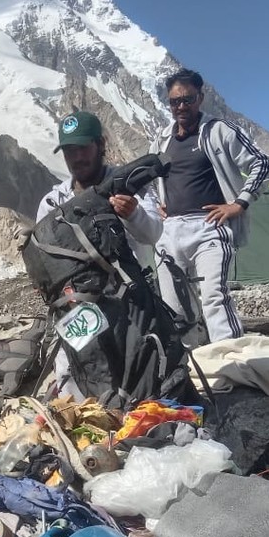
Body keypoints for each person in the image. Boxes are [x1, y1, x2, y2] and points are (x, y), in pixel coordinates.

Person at [36, 109, 164, 401]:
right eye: (69, 150)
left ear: (100, 144)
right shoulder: (52, 202)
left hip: (132, 301)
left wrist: (134, 214)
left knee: (139, 372)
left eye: (83, 147)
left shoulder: (131, 183)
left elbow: (154, 234)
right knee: (74, 371)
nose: (77, 157)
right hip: (78, 305)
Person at [149, 68, 269, 343]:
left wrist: (239, 203)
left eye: (187, 99)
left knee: (214, 298)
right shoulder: (160, 140)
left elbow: (263, 164)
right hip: (168, 231)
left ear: (200, 98)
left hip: (209, 227)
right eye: (174, 101)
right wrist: (156, 204)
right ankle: (192, 370)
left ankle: (232, 365)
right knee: (174, 308)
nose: (181, 106)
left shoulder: (220, 131)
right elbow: (147, 178)